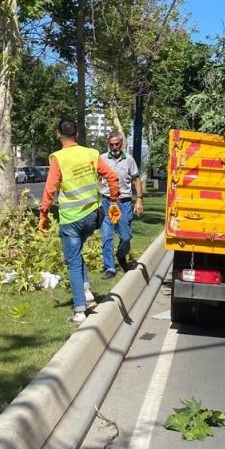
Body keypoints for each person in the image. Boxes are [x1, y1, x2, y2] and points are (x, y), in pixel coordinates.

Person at [39, 119, 121, 323]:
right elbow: (112, 176)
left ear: (59, 134)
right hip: (93, 217)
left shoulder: (58, 158)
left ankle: (79, 311)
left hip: (71, 221)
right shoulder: (92, 153)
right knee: (77, 254)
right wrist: (114, 202)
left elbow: (50, 189)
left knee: (73, 261)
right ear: (77, 135)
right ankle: (86, 293)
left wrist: (43, 214)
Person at [99, 131, 144, 278]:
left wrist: (139, 199)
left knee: (126, 237)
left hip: (123, 202)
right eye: (111, 144)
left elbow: (136, 179)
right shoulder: (102, 159)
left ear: (121, 143)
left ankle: (121, 255)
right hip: (107, 202)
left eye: (117, 144)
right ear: (108, 144)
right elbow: (97, 178)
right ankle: (109, 268)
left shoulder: (129, 160)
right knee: (107, 236)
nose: (114, 147)